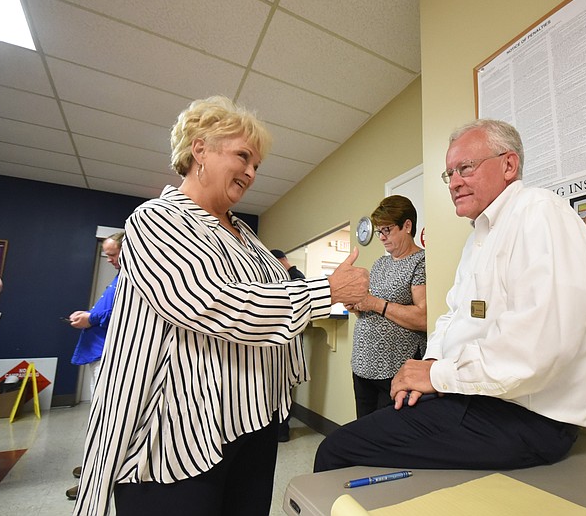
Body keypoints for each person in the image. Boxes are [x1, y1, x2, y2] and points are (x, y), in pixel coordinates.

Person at [73, 95, 368, 516]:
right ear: (200, 150)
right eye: (243, 156)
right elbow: (208, 302)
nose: (250, 172)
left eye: (256, 165)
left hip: (254, 421)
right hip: (181, 434)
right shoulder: (156, 219)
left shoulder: (246, 236)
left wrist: (330, 294)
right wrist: (327, 291)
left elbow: (274, 298)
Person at [314, 119, 586, 473]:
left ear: (508, 165)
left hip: (527, 417)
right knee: (367, 434)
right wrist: (431, 366)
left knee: (336, 450)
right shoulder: (479, 237)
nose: (453, 182)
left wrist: (436, 377)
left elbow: (536, 349)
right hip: (478, 396)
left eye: (465, 168)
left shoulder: (540, 214)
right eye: (449, 173)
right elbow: (453, 317)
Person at [345, 195, 427, 418]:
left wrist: (374, 303)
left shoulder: (421, 261)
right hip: (362, 364)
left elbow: (424, 318)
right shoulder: (380, 263)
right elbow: (371, 306)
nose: (381, 237)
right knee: (362, 430)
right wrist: (357, 305)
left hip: (394, 370)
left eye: (387, 230)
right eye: (379, 231)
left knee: (384, 434)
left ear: (407, 226)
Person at [66, 231, 124, 501]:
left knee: (105, 419)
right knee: (99, 417)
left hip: (110, 355)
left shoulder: (134, 277)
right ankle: (93, 467)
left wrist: (92, 317)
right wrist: (89, 316)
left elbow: (121, 312)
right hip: (99, 352)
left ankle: (96, 478)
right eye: (108, 255)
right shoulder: (119, 277)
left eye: (114, 254)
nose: (110, 260)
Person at [270, 249, 305, 442]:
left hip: (288, 342)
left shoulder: (295, 277)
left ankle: (282, 430)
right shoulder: (290, 276)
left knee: (284, 387)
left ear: (282, 260)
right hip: (284, 341)